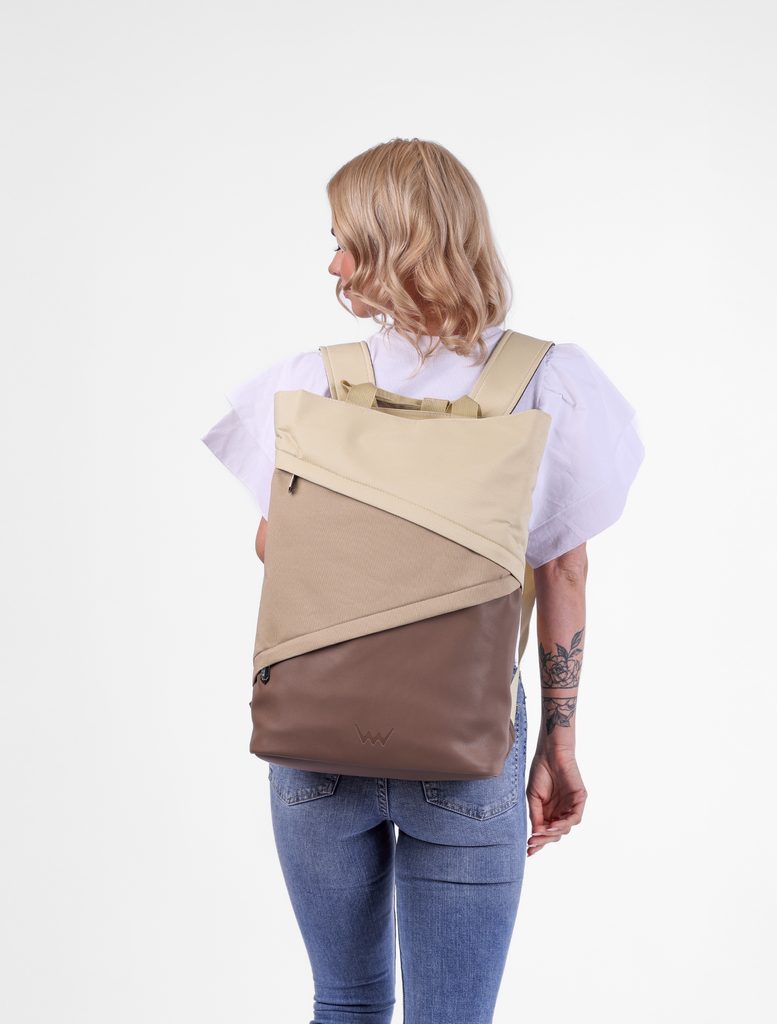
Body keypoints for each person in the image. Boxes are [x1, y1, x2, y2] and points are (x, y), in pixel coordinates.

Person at [201, 137, 645, 1024]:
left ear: (397, 247)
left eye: (347, 244)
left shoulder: (312, 383)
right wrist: (558, 741)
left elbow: (276, 549)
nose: (333, 266)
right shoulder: (550, 382)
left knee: (346, 1004)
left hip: (315, 740)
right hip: (465, 742)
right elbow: (563, 568)